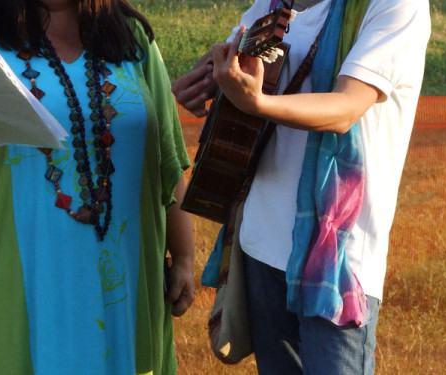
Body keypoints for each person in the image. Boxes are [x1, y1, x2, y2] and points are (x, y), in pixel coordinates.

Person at [0, 0, 195, 374]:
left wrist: (182, 256)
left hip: (122, 284)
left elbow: (166, 159)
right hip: (12, 282)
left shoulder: (129, 35)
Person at [173, 0, 430, 374]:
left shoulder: (396, 5)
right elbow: (234, 51)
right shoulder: (278, 2)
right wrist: (210, 76)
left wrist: (255, 102)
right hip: (261, 246)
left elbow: (346, 107)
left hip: (337, 261)